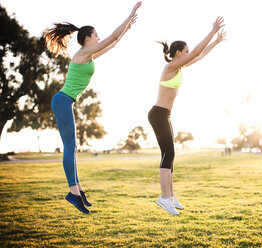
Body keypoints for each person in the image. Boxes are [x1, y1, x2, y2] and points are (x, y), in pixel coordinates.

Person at [44, 2, 142, 213]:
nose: (99, 37)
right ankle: (73, 193)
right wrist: (130, 15)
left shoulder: (88, 54)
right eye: (96, 35)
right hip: (62, 101)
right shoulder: (82, 55)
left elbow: (113, 43)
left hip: (65, 102)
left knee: (73, 147)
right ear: (87, 38)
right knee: (70, 148)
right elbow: (112, 38)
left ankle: (78, 191)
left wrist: (128, 28)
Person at [148, 17, 226, 216]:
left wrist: (216, 42)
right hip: (158, 114)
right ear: (177, 53)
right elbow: (197, 52)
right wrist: (211, 31)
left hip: (164, 115)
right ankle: (164, 197)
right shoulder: (170, 68)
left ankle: (171, 196)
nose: (189, 53)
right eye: (186, 51)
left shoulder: (178, 67)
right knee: (168, 155)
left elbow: (198, 56)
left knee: (170, 155)